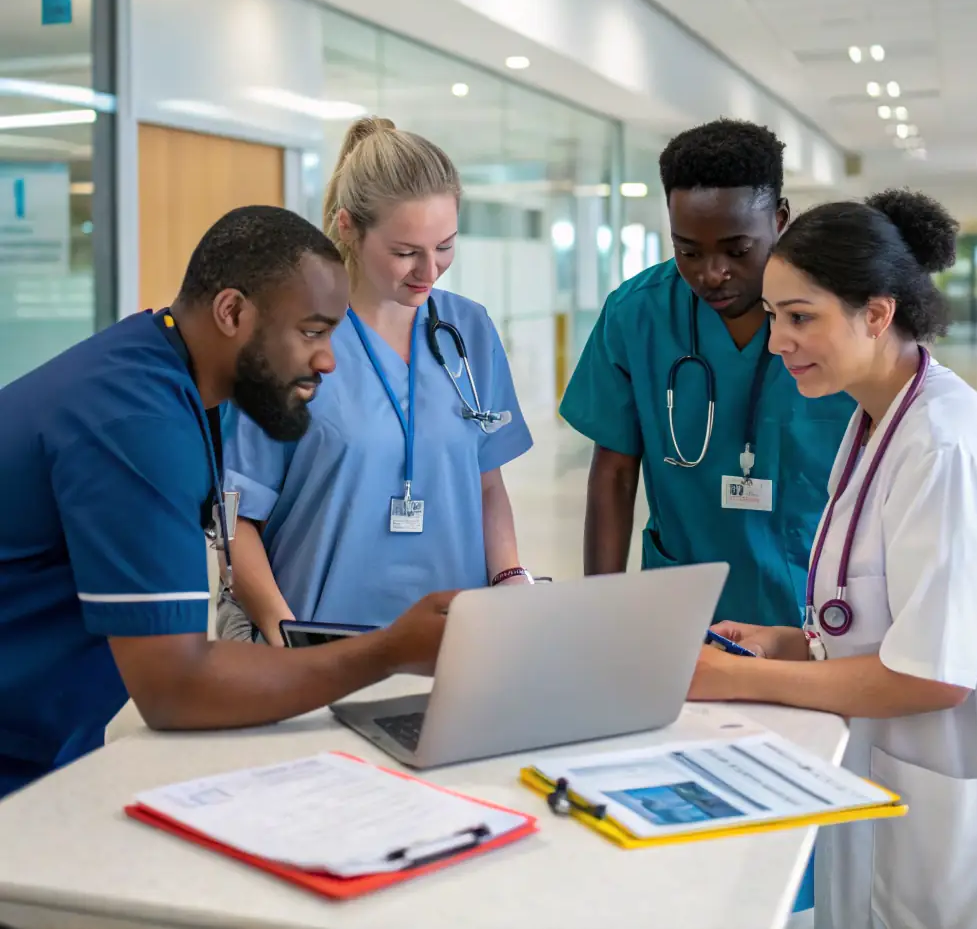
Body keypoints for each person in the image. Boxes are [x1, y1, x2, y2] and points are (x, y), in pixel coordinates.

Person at [0, 206, 451, 800]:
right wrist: (389, 651)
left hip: (42, 745)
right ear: (232, 312)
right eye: (312, 332)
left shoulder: (166, 368)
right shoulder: (135, 422)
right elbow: (175, 686)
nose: (328, 360)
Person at [689, 190, 977, 929]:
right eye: (775, 315)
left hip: (948, 820)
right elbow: (879, 614)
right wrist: (792, 644)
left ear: (877, 312)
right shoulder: (876, 417)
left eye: (801, 316)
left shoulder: (943, 442)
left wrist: (744, 677)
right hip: (880, 780)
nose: (778, 341)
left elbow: (933, 673)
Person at [218, 117, 534, 645]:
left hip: (450, 642)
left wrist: (508, 578)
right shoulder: (284, 339)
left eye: (446, 246)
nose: (429, 272)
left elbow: (487, 483)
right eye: (406, 252)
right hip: (318, 644)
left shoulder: (467, 329)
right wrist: (285, 638)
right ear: (348, 226)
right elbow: (236, 522)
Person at [561, 119, 854, 626]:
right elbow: (613, 471)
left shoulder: (839, 317)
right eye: (688, 250)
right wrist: (597, 613)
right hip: (683, 606)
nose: (711, 273)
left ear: (780, 220)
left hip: (812, 605)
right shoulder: (638, 315)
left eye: (737, 250)